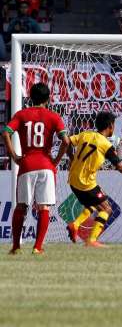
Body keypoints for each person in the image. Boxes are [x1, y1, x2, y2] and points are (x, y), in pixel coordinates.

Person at [2, 83, 70, 254]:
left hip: (27, 165)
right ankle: (38, 247)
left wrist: (14, 156)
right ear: (48, 99)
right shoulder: (54, 116)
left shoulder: (22, 114)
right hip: (46, 165)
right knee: (44, 207)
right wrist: (56, 159)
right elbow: (66, 141)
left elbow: (5, 133)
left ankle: (16, 246)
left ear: (30, 98)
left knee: (21, 206)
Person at [65, 112, 122, 248]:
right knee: (107, 209)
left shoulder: (85, 134)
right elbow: (120, 166)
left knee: (94, 203)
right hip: (86, 184)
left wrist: (71, 158)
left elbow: (67, 141)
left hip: (73, 180)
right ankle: (91, 240)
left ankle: (75, 224)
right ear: (110, 126)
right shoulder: (105, 145)